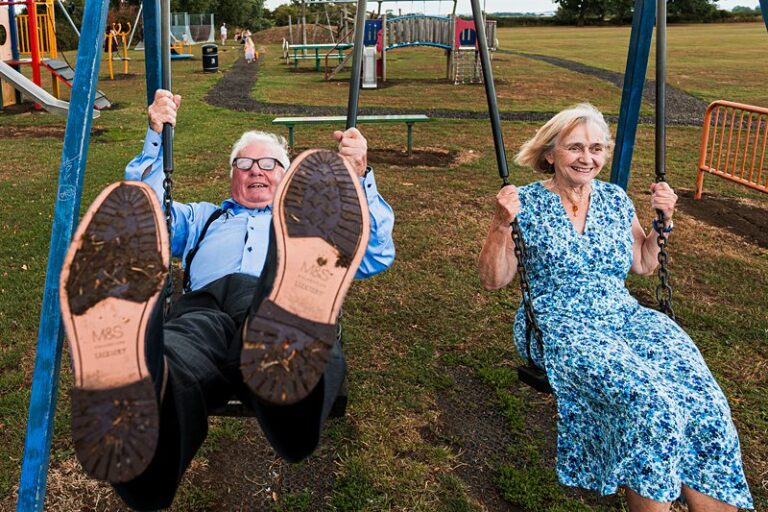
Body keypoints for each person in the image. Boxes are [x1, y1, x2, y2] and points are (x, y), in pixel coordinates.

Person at [58, 89, 395, 511]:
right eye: (245, 163)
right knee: (174, 359)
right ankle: (138, 413)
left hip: (269, 304)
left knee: (282, 329)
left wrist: (360, 176)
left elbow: (378, 254)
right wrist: (155, 137)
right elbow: (145, 220)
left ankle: (293, 344)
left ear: (286, 176)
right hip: (204, 312)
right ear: (232, 175)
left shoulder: (309, 228)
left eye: (269, 163)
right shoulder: (203, 217)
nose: (256, 170)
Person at [477, 104, 753, 512]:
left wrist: (663, 221)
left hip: (625, 316)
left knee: (703, 401)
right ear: (550, 153)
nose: (587, 158)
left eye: (596, 148)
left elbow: (643, 263)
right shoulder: (525, 204)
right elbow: (493, 279)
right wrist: (501, 225)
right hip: (561, 323)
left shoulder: (615, 199)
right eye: (574, 148)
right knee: (652, 404)